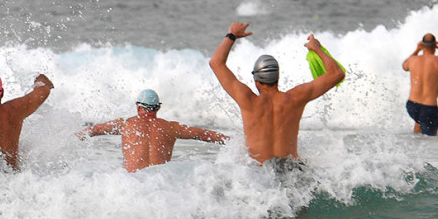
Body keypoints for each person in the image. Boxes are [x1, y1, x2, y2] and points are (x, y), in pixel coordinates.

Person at [209, 21, 344, 164]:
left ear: (256, 80)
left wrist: (232, 35)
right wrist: (316, 48)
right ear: (277, 78)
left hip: (260, 174)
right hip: (291, 171)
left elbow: (216, 63)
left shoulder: (248, 100)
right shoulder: (296, 98)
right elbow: (337, 74)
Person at [77, 89, 228, 172]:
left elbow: (93, 130)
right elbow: (204, 134)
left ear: (138, 107)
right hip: (159, 183)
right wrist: (231, 142)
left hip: (133, 182)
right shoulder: (172, 127)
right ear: (159, 107)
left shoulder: (125, 124)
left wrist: (71, 136)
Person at [402, 33, 438, 136]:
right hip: (429, 107)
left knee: (418, 123)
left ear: (422, 45)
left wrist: (417, 50)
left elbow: (404, 66)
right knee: (430, 141)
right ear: (435, 45)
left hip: (412, 105)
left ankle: (413, 151)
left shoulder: (413, 60)